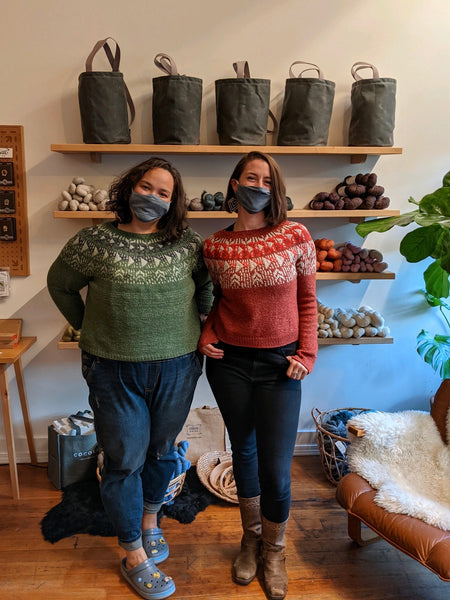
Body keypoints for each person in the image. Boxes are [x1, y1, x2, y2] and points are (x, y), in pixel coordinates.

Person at [47, 157, 213, 600]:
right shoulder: (95, 241)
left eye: (164, 193)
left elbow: (206, 286)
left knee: (161, 452)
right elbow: (60, 283)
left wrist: (205, 323)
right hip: (112, 368)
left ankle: (149, 520)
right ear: (129, 188)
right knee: (123, 461)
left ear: (174, 202)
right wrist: (87, 326)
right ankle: (133, 552)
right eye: (147, 186)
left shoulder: (187, 244)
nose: (153, 197)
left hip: (178, 366)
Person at [198, 151, 317, 600]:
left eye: (267, 179)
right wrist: (206, 332)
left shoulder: (295, 235)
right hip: (228, 363)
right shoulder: (215, 246)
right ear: (234, 183)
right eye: (251, 177)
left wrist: (307, 352)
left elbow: (307, 300)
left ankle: (275, 550)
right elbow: (215, 299)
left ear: (276, 188)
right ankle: (250, 538)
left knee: (274, 465)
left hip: (280, 365)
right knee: (243, 454)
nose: (258, 185)